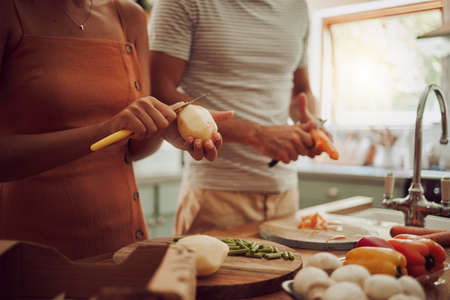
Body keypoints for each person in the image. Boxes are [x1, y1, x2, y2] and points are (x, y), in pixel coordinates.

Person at [0, 0, 229, 260]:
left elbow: (133, 149)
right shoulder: (8, 12)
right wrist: (105, 129)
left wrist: (161, 128)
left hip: (121, 244)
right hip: (31, 253)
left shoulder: (128, 15)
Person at [148, 0, 330, 235]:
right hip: (215, 196)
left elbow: (300, 90)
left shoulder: (297, 6)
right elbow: (158, 92)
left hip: (285, 194)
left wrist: (314, 124)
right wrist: (257, 135)